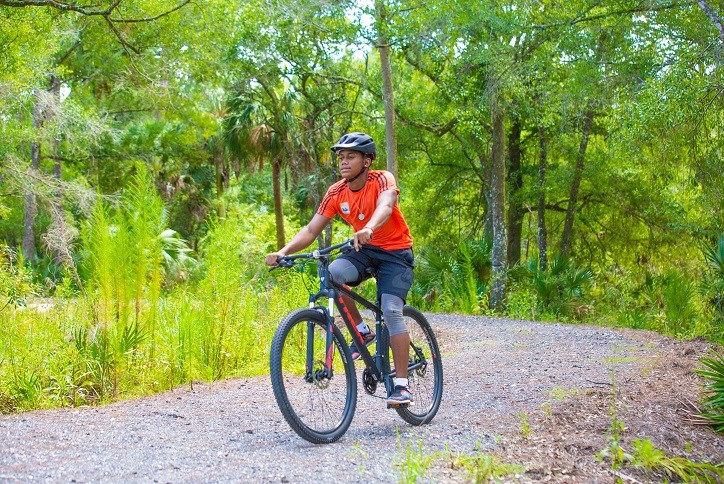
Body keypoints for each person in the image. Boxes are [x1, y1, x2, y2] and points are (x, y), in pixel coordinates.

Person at [264, 132, 415, 406]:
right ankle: (362, 330)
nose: (343, 162)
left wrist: (369, 227)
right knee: (332, 274)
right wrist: (283, 252)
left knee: (392, 310)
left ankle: (402, 385)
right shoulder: (336, 192)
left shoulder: (382, 179)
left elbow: (386, 205)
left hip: (395, 253)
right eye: (341, 158)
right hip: (365, 249)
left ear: (367, 161)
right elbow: (311, 229)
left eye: (351, 157)